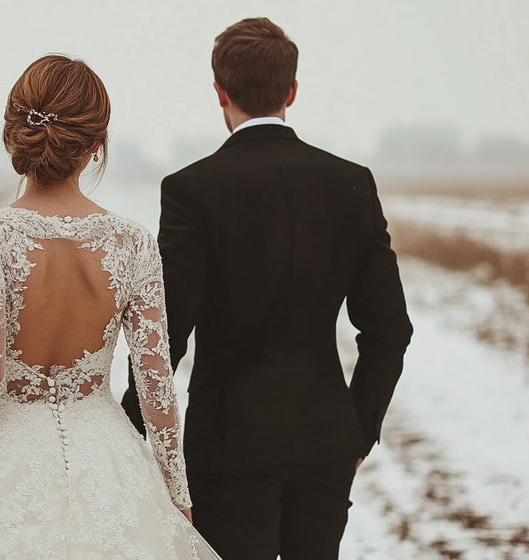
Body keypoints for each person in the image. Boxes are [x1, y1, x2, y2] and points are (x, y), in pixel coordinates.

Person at [120, 17, 413, 560]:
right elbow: (390, 329)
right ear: (292, 91)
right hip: (325, 441)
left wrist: (126, 427)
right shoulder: (351, 184)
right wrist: (357, 430)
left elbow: (166, 332)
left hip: (226, 446)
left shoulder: (190, 190)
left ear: (220, 92)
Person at [0, 54, 221, 559]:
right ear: (96, 146)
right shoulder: (134, 243)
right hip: (111, 464)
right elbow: (156, 387)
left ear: (14, 134)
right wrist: (175, 495)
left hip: (4, 469)